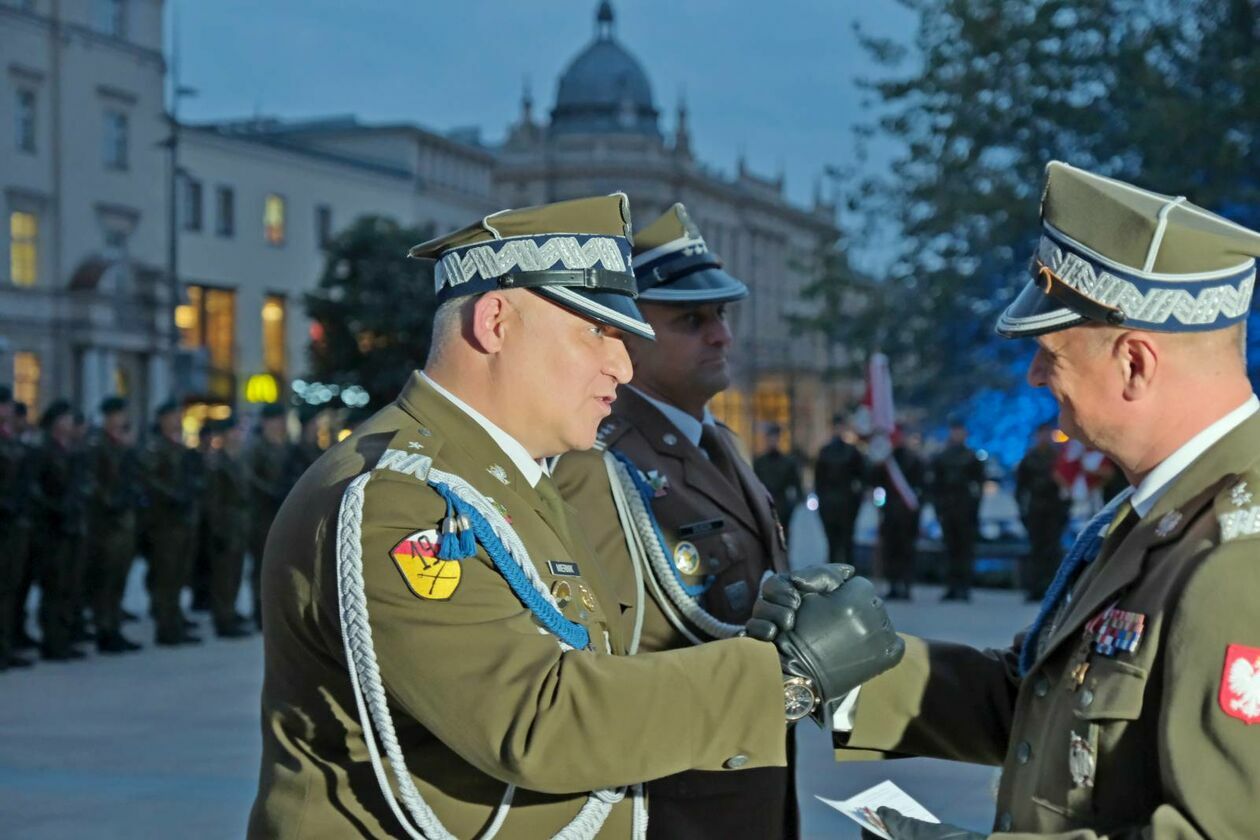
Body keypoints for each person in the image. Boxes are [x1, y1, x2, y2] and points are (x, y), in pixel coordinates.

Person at [247, 194, 904, 839]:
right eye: (599, 331)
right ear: (495, 323)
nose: (621, 365)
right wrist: (783, 675)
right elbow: (537, 722)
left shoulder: (514, 482)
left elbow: (597, 677)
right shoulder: (403, 499)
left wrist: (755, 646)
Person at [750, 161, 1260, 838]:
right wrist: (844, 669)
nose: (1035, 373)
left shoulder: (1236, 558)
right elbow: (1035, 696)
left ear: (1136, 362)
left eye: (1052, 352)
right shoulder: (1147, 515)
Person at [553, 203, 796, 839]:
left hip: (746, 774)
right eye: (692, 319)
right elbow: (599, 655)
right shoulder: (596, 459)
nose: (722, 335)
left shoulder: (721, 444)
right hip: (675, 797)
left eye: (721, 315)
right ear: (626, 333)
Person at [28, 399, 87, 660]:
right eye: (64, 418)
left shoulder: (70, 451)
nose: (68, 423)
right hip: (51, 527)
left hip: (70, 526)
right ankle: (52, 641)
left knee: (68, 585)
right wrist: (55, 508)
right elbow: (34, 488)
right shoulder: (43, 451)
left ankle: (62, 637)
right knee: (54, 585)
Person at [139, 401, 202, 646]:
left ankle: (175, 620)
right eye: (173, 416)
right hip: (164, 522)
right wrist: (173, 495)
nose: (177, 420)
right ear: (162, 419)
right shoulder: (156, 447)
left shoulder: (179, 447)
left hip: (182, 521)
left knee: (178, 574)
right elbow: (151, 480)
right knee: (165, 576)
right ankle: (166, 627)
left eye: (179, 416)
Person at [85, 396, 142, 653]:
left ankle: (114, 626)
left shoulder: (123, 446)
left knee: (119, 577)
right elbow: (93, 482)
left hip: (124, 521)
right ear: (108, 417)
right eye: (117, 415)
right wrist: (110, 502)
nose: (121, 420)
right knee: (104, 579)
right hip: (105, 522)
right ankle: (104, 629)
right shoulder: (97, 445)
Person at [202, 415, 252, 638]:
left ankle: (230, 611)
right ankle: (223, 618)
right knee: (223, 575)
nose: (238, 436)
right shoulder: (218, 463)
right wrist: (217, 529)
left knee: (235, 573)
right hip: (225, 525)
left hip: (239, 525)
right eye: (233, 431)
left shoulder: (239, 460)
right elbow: (213, 500)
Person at [928, 415, 985, 601]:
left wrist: (975, 508)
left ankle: (964, 586)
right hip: (949, 508)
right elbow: (936, 486)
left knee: (965, 549)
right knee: (951, 548)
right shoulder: (942, 458)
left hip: (965, 508)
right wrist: (939, 509)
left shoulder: (971, 457)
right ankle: (952, 586)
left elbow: (978, 485)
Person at [245, 403, 290, 629]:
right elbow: (250, 477)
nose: (279, 425)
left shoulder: (286, 446)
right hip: (262, 515)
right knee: (261, 565)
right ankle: (259, 610)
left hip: (282, 514)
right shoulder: (257, 448)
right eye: (275, 420)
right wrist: (270, 492)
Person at [1015, 422, 1069, 602]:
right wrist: (1022, 511)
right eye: (1042, 433)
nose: (1045, 437)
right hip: (1036, 508)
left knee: (1052, 550)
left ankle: (1051, 588)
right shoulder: (1030, 458)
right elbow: (1021, 487)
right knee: (1036, 549)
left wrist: (1065, 509)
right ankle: (1035, 587)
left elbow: (1066, 486)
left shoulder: (1059, 458)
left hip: (1054, 509)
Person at [0, 385, 34, 669]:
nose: (8, 411)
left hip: (14, 525)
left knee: (10, 588)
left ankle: (6, 645)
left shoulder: (15, 443)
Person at [875, 431, 925, 600]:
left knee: (906, 550)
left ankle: (905, 584)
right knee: (892, 550)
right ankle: (894, 584)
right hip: (891, 513)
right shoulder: (886, 463)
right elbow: (876, 482)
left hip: (907, 514)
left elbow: (922, 488)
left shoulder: (914, 461)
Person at [814, 413, 867, 569]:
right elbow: (819, 479)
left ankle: (848, 575)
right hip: (830, 502)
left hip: (847, 502)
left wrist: (856, 498)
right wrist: (822, 500)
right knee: (832, 542)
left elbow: (862, 476)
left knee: (847, 542)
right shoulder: (825, 452)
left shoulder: (852, 452)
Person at [753, 424, 803, 543]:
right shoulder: (760, 462)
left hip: (782, 505)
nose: (772, 442)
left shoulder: (788, 462)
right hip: (765, 506)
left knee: (784, 538)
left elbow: (797, 485)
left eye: (775, 438)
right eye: (770, 438)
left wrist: (793, 504)